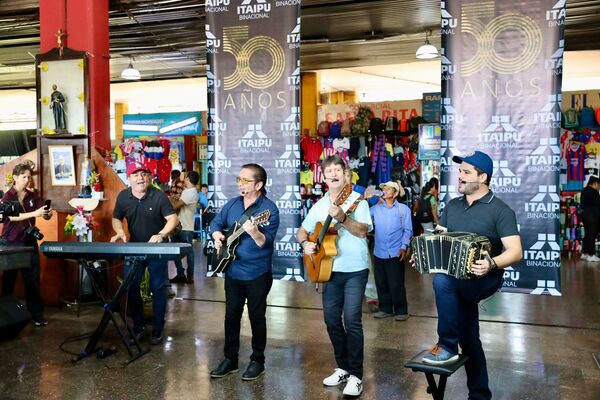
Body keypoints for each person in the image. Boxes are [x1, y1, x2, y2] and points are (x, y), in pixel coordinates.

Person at [416, 151, 522, 400]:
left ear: (483, 177)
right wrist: (423, 253)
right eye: (459, 171)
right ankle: (480, 394)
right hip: (457, 278)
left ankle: (447, 346)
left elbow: (516, 252)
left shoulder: (500, 210)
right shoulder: (453, 206)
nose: (459, 177)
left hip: (484, 278)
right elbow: (439, 239)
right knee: (470, 338)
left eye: (466, 172)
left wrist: (491, 264)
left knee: (442, 281)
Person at [297, 155, 373, 397]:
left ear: (345, 173)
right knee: (331, 321)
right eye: (328, 170)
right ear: (324, 176)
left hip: (355, 270)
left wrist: (342, 218)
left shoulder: (358, 202)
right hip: (327, 270)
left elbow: (363, 231)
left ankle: (357, 376)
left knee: (352, 321)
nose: (333, 174)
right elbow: (302, 232)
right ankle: (343, 367)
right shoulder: (318, 205)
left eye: (337, 170)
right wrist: (305, 245)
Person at [209, 164, 279, 381]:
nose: (240, 183)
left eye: (245, 180)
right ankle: (230, 359)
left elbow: (265, 243)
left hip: (257, 273)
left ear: (259, 184)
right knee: (231, 316)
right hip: (232, 270)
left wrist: (255, 231)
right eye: (239, 179)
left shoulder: (268, 210)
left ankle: (258, 360)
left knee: (256, 316)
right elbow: (215, 223)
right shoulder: (232, 204)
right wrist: (217, 234)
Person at [111, 162, 179, 345]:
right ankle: (138, 327)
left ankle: (158, 328)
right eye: (136, 174)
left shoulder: (158, 196)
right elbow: (116, 218)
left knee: (158, 288)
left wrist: (161, 234)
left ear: (149, 177)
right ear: (129, 178)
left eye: (144, 174)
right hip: (134, 248)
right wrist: (119, 231)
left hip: (156, 249)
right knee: (131, 287)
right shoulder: (123, 197)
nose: (141, 178)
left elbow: (173, 219)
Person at [1, 162, 53, 326]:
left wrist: (46, 213)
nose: (27, 180)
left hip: (29, 243)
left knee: (32, 280)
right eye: (24, 177)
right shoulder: (7, 196)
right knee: (9, 280)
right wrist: (35, 213)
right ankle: (5, 316)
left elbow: (43, 213)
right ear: (15, 177)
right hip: (11, 243)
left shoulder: (33, 196)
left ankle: (36, 315)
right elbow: (12, 217)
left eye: (29, 177)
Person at [370, 181, 413, 321]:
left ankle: (401, 310)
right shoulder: (376, 209)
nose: (384, 190)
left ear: (394, 193)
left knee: (396, 283)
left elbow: (408, 230)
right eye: (383, 188)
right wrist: (365, 199)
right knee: (381, 282)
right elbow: (362, 216)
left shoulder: (403, 209)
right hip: (379, 251)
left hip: (395, 251)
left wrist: (404, 247)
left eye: (388, 189)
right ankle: (385, 309)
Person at [169, 171, 200, 283]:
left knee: (189, 252)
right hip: (179, 226)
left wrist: (170, 199)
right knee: (176, 251)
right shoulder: (187, 191)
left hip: (186, 227)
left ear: (187, 178)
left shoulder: (191, 192)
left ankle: (189, 275)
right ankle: (181, 274)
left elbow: (175, 206)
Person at [580, 175, 600, 262]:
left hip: (585, 215)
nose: (599, 187)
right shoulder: (594, 192)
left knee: (587, 234)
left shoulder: (584, 190)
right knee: (592, 234)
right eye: (599, 185)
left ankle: (585, 253)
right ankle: (591, 255)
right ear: (595, 183)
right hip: (593, 216)